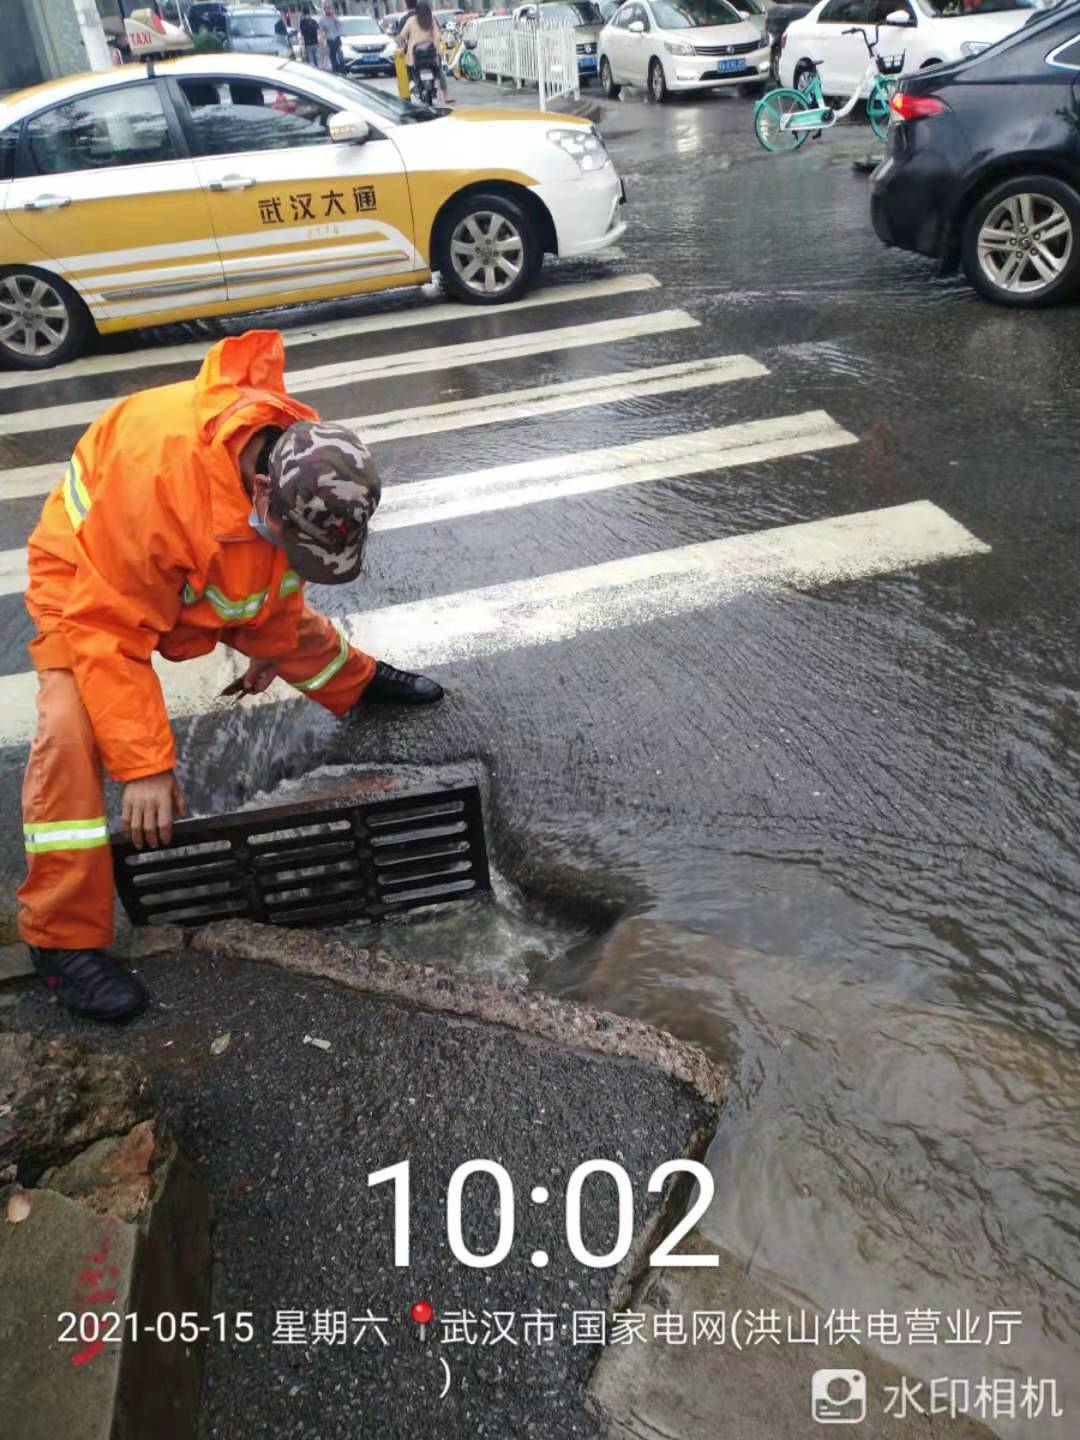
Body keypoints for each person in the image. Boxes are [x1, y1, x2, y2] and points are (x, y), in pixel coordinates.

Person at [18, 329, 443, 1025]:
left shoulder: (296, 452)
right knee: (70, 730)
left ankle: (355, 683)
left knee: (285, 629)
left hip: (183, 551)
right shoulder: (156, 485)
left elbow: (270, 580)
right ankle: (60, 941)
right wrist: (146, 767)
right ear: (264, 490)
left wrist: (270, 644)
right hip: (88, 572)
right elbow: (108, 632)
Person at [398, 0, 449, 103]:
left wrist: (398, 40)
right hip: (431, 55)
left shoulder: (411, 20)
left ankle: (409, 90)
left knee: (410, 73)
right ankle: (446, 96)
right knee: (439, 72)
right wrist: (436, 48)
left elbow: (402, 35)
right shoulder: (432, 20)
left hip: (415, 56)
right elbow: (437, 36)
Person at [321, 0, 344, 72]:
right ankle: (336, 71)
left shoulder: (334, 17)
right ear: (324, 9)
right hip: (329, 40)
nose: (328, 9)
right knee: (332, 57)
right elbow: (321, 32)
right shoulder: (322, 20)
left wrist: (334, 16)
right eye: (326, 8)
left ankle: (343, 70)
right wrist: (323, 44)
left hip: (337, 38)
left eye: (329, 7)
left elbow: (340, 25)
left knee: (340, 55)